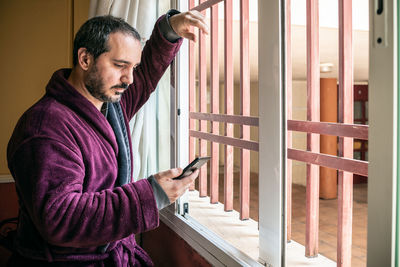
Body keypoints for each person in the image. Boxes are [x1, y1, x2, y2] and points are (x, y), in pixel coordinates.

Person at [6, 9, 208, 266]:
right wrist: (149, 195)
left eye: (132, 67)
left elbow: (145, 77)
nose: (128, 79)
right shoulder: (44, 128)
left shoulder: (109, 106)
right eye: (120, 65)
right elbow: (59, 218)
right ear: (85, 58)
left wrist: (169, 31)